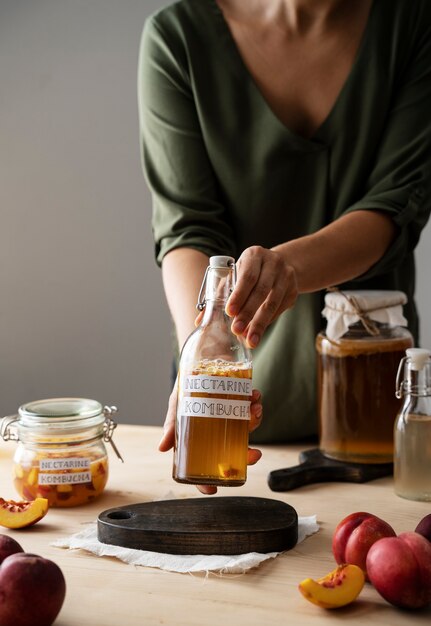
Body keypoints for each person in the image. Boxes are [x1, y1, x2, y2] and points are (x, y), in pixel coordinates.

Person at [138, 0, 431, 490]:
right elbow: (186, 228)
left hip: (374, 408)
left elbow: (395, 206)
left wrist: (287, 268)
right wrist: (207, 352)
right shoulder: (177, 38)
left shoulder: (412, 24)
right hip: (229, 399)